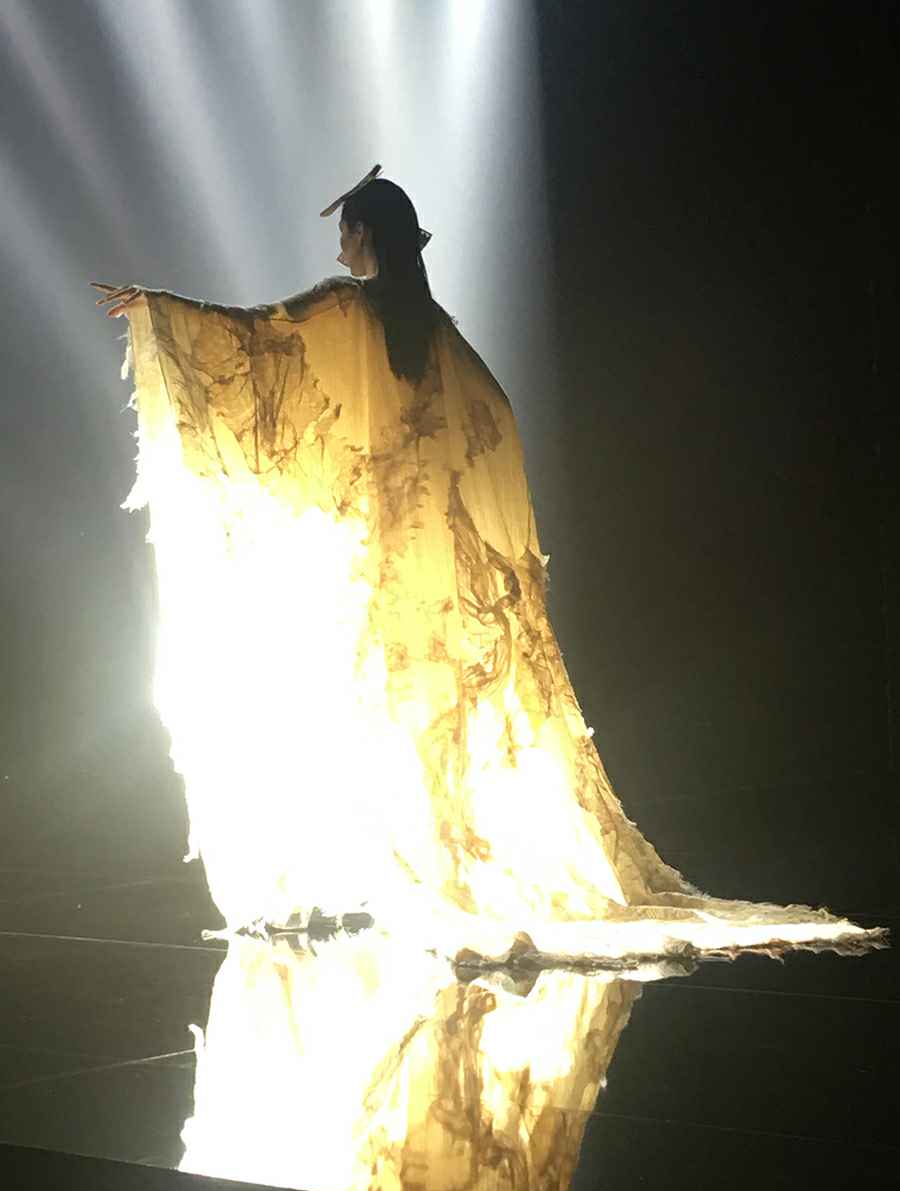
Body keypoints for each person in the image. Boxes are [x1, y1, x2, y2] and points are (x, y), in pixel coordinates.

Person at [90, 168, 887, 963]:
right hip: (420, 543)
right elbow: (492, 414)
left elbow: (255, 337)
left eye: (345, 233)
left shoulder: (348, 305)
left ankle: (414, 869)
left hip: (386, 543)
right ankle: (405, 864)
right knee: (415, 699)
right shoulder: (428, 325)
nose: (338, 248)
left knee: (396, 696)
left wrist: (161, 309)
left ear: (365, 235)